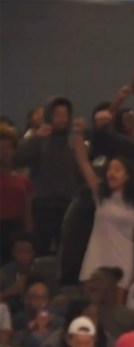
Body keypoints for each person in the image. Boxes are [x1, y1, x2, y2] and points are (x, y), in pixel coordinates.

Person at [72, 117, 134, 302]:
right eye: (109, 169)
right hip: (96, 255)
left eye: (117, 169)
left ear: (128, 175)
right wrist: (77, 134)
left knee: (116, 308)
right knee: (90, 305)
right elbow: (83, 162)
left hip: (122, 258)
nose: (111, 173)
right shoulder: (101, 194)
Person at [12, 96, 78, 255]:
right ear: (49, 115)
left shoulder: (73, 141)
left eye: (65, 114)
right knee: (39, 251)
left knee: (67, 252)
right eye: (57, 114)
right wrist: (36, 138)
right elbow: (18, 159)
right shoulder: (40, 139)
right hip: (43, 206)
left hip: (68, 206)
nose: (62, 119)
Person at [36, 297, 115, 347]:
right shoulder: (52, 346)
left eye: (95, 316)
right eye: (88, 315)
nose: (92, 321)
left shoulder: (107, 341)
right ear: (75, 318)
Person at [0, 125, 32, 263]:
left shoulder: (23, 178)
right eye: (1, 149)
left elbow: (27, 210)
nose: (6, 152)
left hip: (16, 229)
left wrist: (29, 236)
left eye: (9, 147)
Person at [84, 267, 134, 339]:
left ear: (111, 287)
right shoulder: (80, 310)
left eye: (97, 281)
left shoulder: (131, 317)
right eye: (91, 281)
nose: (91, 285)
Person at [0, 232, 36, 302]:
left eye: (27, 252)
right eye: (20, 251)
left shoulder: (40, 270)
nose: (23, 256)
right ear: (13, 252)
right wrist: (11, 291)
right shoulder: (3, 273)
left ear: (34, 253)